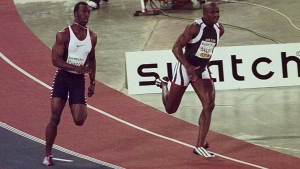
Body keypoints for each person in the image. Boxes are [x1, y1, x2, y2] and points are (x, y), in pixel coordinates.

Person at [156, 1, 224, 158]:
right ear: (204, 14)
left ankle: (200, 145)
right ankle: (165, 85)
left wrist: (204, 67)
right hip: (185, 68)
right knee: (170, 109)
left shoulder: (219, 30)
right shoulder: (194, 28)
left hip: (201, 69)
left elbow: (208, 50)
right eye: (212, 13)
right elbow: (176, 48)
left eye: (217, 12)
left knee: (209, 104)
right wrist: (188, 67)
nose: (216, 16)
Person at [43, 2, 97, 166]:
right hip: (63, 78)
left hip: (78, 81)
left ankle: (75, 104)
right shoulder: (64, 35)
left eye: (88, 12)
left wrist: (93, 81)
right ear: (75, 14)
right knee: (55, 117)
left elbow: (92, 59)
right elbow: (55, 60)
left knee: (79, 120)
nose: (87, 15)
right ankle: (47, 154)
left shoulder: (92, 37)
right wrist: (75, 67)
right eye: (84, 12)